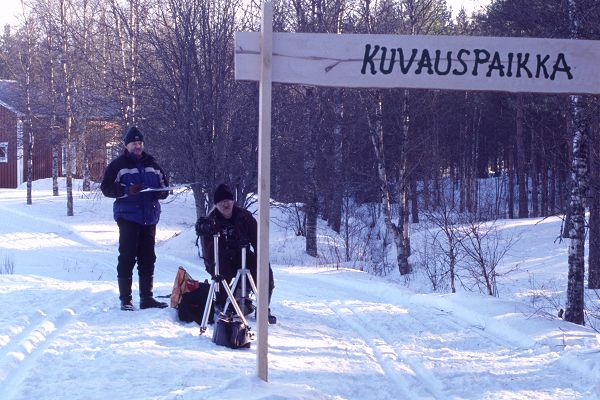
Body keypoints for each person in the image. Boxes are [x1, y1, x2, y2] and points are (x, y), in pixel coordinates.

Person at [101, 126, 170, 311]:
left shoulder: (153, 164)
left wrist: (162, 193)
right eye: (134, 143)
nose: (138, 146)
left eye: (140, 143)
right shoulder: (118, 165)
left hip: (150, 217)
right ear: (127, 145)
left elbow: (164, 185)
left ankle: (147, 298)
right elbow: (106, 188)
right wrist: (125, 191)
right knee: (127, 256)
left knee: (148, 258)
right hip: (128, 217)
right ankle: (126, 299)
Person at [198, 183, 276, 323]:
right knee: (221, 270)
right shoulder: (211, 221)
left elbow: (258, 242)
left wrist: (262, 262)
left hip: (243, 255)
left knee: (264, 270)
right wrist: (212, 266)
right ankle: (224, 304)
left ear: (232, 201)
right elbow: (209, 252)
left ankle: (263, 307)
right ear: (216, 205)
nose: (225, 204)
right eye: (221, 202)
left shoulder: (244, 217)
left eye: (227, 200)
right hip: (222, 258)